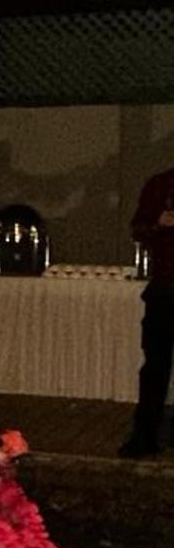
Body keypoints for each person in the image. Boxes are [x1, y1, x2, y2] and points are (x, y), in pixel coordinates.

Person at [118, 161, 174, 458]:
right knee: (155, 367)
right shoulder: (160, 184)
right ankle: (145, 435)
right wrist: (158, 225)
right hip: (165, 289)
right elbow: (137, 229)